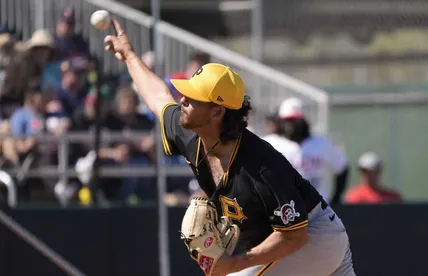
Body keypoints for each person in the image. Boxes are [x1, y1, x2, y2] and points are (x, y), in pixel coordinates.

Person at [104, 18, 355, 276]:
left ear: (216, 112)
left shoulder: (259, 166)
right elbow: (159, 99)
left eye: (193, 97)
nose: (183, 99)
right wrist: (129, 56)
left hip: (312, 237)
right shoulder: (192, 133)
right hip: (290, 238)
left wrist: (235, 263)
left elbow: (294, 236)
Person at [278, 97, 349, 205]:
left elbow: (342, 167)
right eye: (287, 120)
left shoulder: (322, 143)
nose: (290, 125)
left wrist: (336, 198)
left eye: (295, 120)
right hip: (288, 211)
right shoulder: (276, 145)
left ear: (304, 121)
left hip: (319, 208)